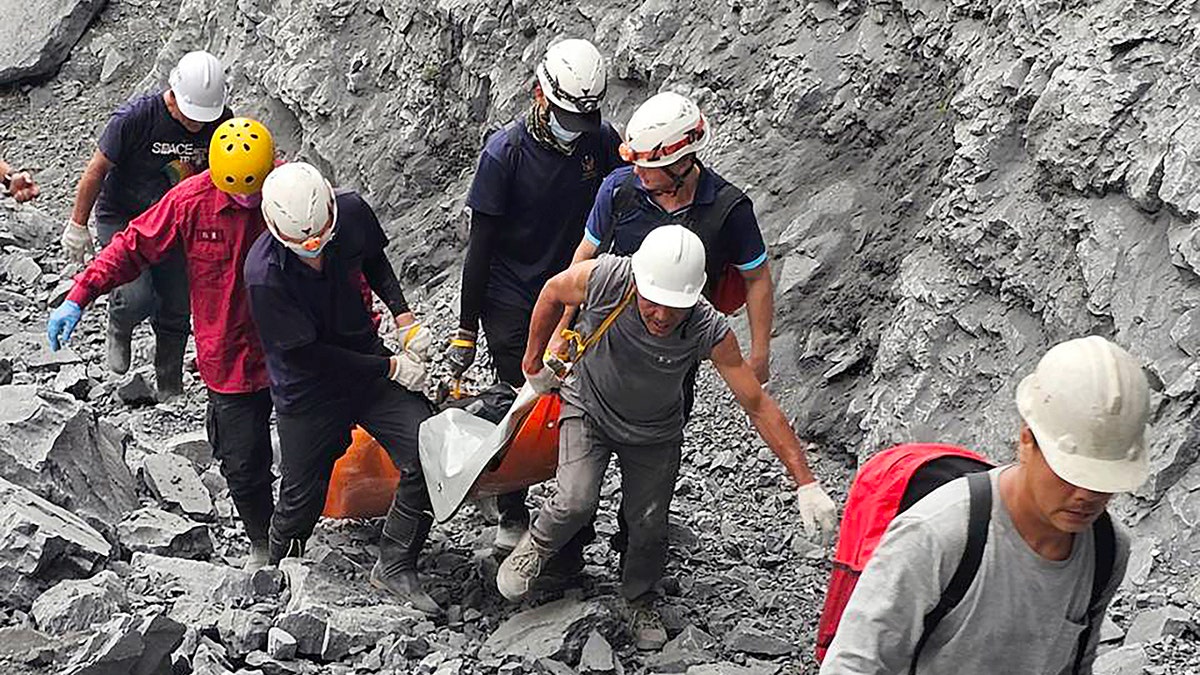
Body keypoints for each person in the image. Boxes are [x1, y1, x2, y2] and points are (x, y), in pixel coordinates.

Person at [496, 226, 837, 650]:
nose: (661, 316)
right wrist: (533, 364)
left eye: (674, 309)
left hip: (654, 432)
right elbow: (552, 291)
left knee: (649, 524)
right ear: (638, 282)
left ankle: (639, 597)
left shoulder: (706, 328)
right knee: (575, 499)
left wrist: (805, 480)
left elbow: (756, 403)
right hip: (589, 405)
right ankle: (539, 546)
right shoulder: (607, 278)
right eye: (652, 304)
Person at [820, 335, 1147, 674]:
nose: (1087, 495)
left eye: (1103, 480)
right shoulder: (939, 533)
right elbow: (854, 663)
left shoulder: (1108, 549)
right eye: (1070, 473)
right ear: (1026, 441)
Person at [47, 118, 278, 571]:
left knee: (312, 448)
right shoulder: (191, 201)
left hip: (293, 349)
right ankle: (263, 542)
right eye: (239, 194)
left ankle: (295, 532)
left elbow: (339, 254)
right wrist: (81, 292)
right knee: (242, 463)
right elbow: (133, 245)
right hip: (228, 357)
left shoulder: (288, 190)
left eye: (256, 193)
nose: (249, 203)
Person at [445, 38, 623, 558]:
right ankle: (511, 506)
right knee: (518, 398)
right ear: (539, 95)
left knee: (577, 398)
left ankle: (571, 520)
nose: (575, 129)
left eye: (583, 119)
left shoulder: (599, 143)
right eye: (566, 115)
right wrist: (464, 330)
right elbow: (480, 249)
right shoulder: (505, 155)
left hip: (575, 291)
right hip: (512, 295)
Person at [244, 162, 441, 616]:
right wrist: (392, 366)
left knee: (431, 449)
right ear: (276, 230)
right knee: (301, 495)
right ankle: (279, 577)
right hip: (308, 386)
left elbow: (374, 260)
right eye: (302, 246)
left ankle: (396, 562)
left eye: (320, 240)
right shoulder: (264, 275)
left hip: (365, 359)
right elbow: (312, 357)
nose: (313, 251)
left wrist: (404, 317)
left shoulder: (349, 212)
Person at [555, 91, 774, 392]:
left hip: (675, 350)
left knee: (662, 424)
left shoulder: (728, 211)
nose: (636, 170)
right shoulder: (619, 191)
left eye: (647, 164)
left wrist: (760, 354)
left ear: (681, 162)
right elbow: (585, 254)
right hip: (608, 337)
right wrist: (563, 327)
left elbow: (757, 276)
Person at [60, 50, 231, 396]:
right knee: (136, 294)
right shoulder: (136, 118)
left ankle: (169, 384)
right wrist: (78, 225)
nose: (197, 124)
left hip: (176, 220)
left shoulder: (220, 121)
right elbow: (96, 171)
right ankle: (119, 324)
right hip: (123, 214)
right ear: (174, 95)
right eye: (191, 115)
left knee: (178, 303)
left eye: (203, 117)